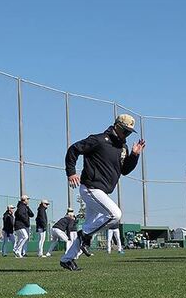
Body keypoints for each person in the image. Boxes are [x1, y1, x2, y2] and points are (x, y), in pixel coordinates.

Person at [61, 114, 145, 271]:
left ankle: (67, 259)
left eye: (129, 133)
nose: (127, 135)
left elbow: (125, 170)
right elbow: (74, 149)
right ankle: (84, 235)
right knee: (115, 215)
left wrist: (134, 155)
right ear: (117, 127)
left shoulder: (123, 148)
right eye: (125, 131)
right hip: (90, 187)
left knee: (90, 225)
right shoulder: (98, 140)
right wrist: (71, 172)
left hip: (102, 192)